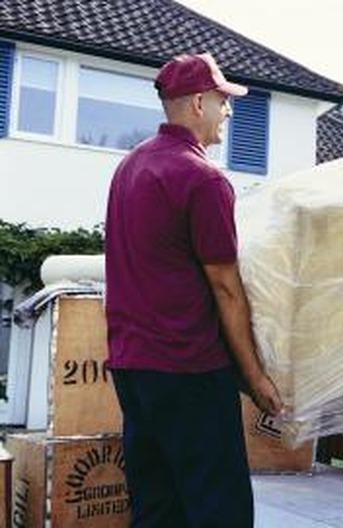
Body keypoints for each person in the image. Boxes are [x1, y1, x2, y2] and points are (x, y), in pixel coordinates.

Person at [104, 53, 283, 527]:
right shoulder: (203, 180)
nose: (230, 111)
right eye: (225, 100)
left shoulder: (130, 167)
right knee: (218, 510)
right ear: (199, 103)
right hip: (189, 370)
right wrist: (256, 378)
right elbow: (226, 288)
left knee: (158, 506)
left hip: (133, 368)